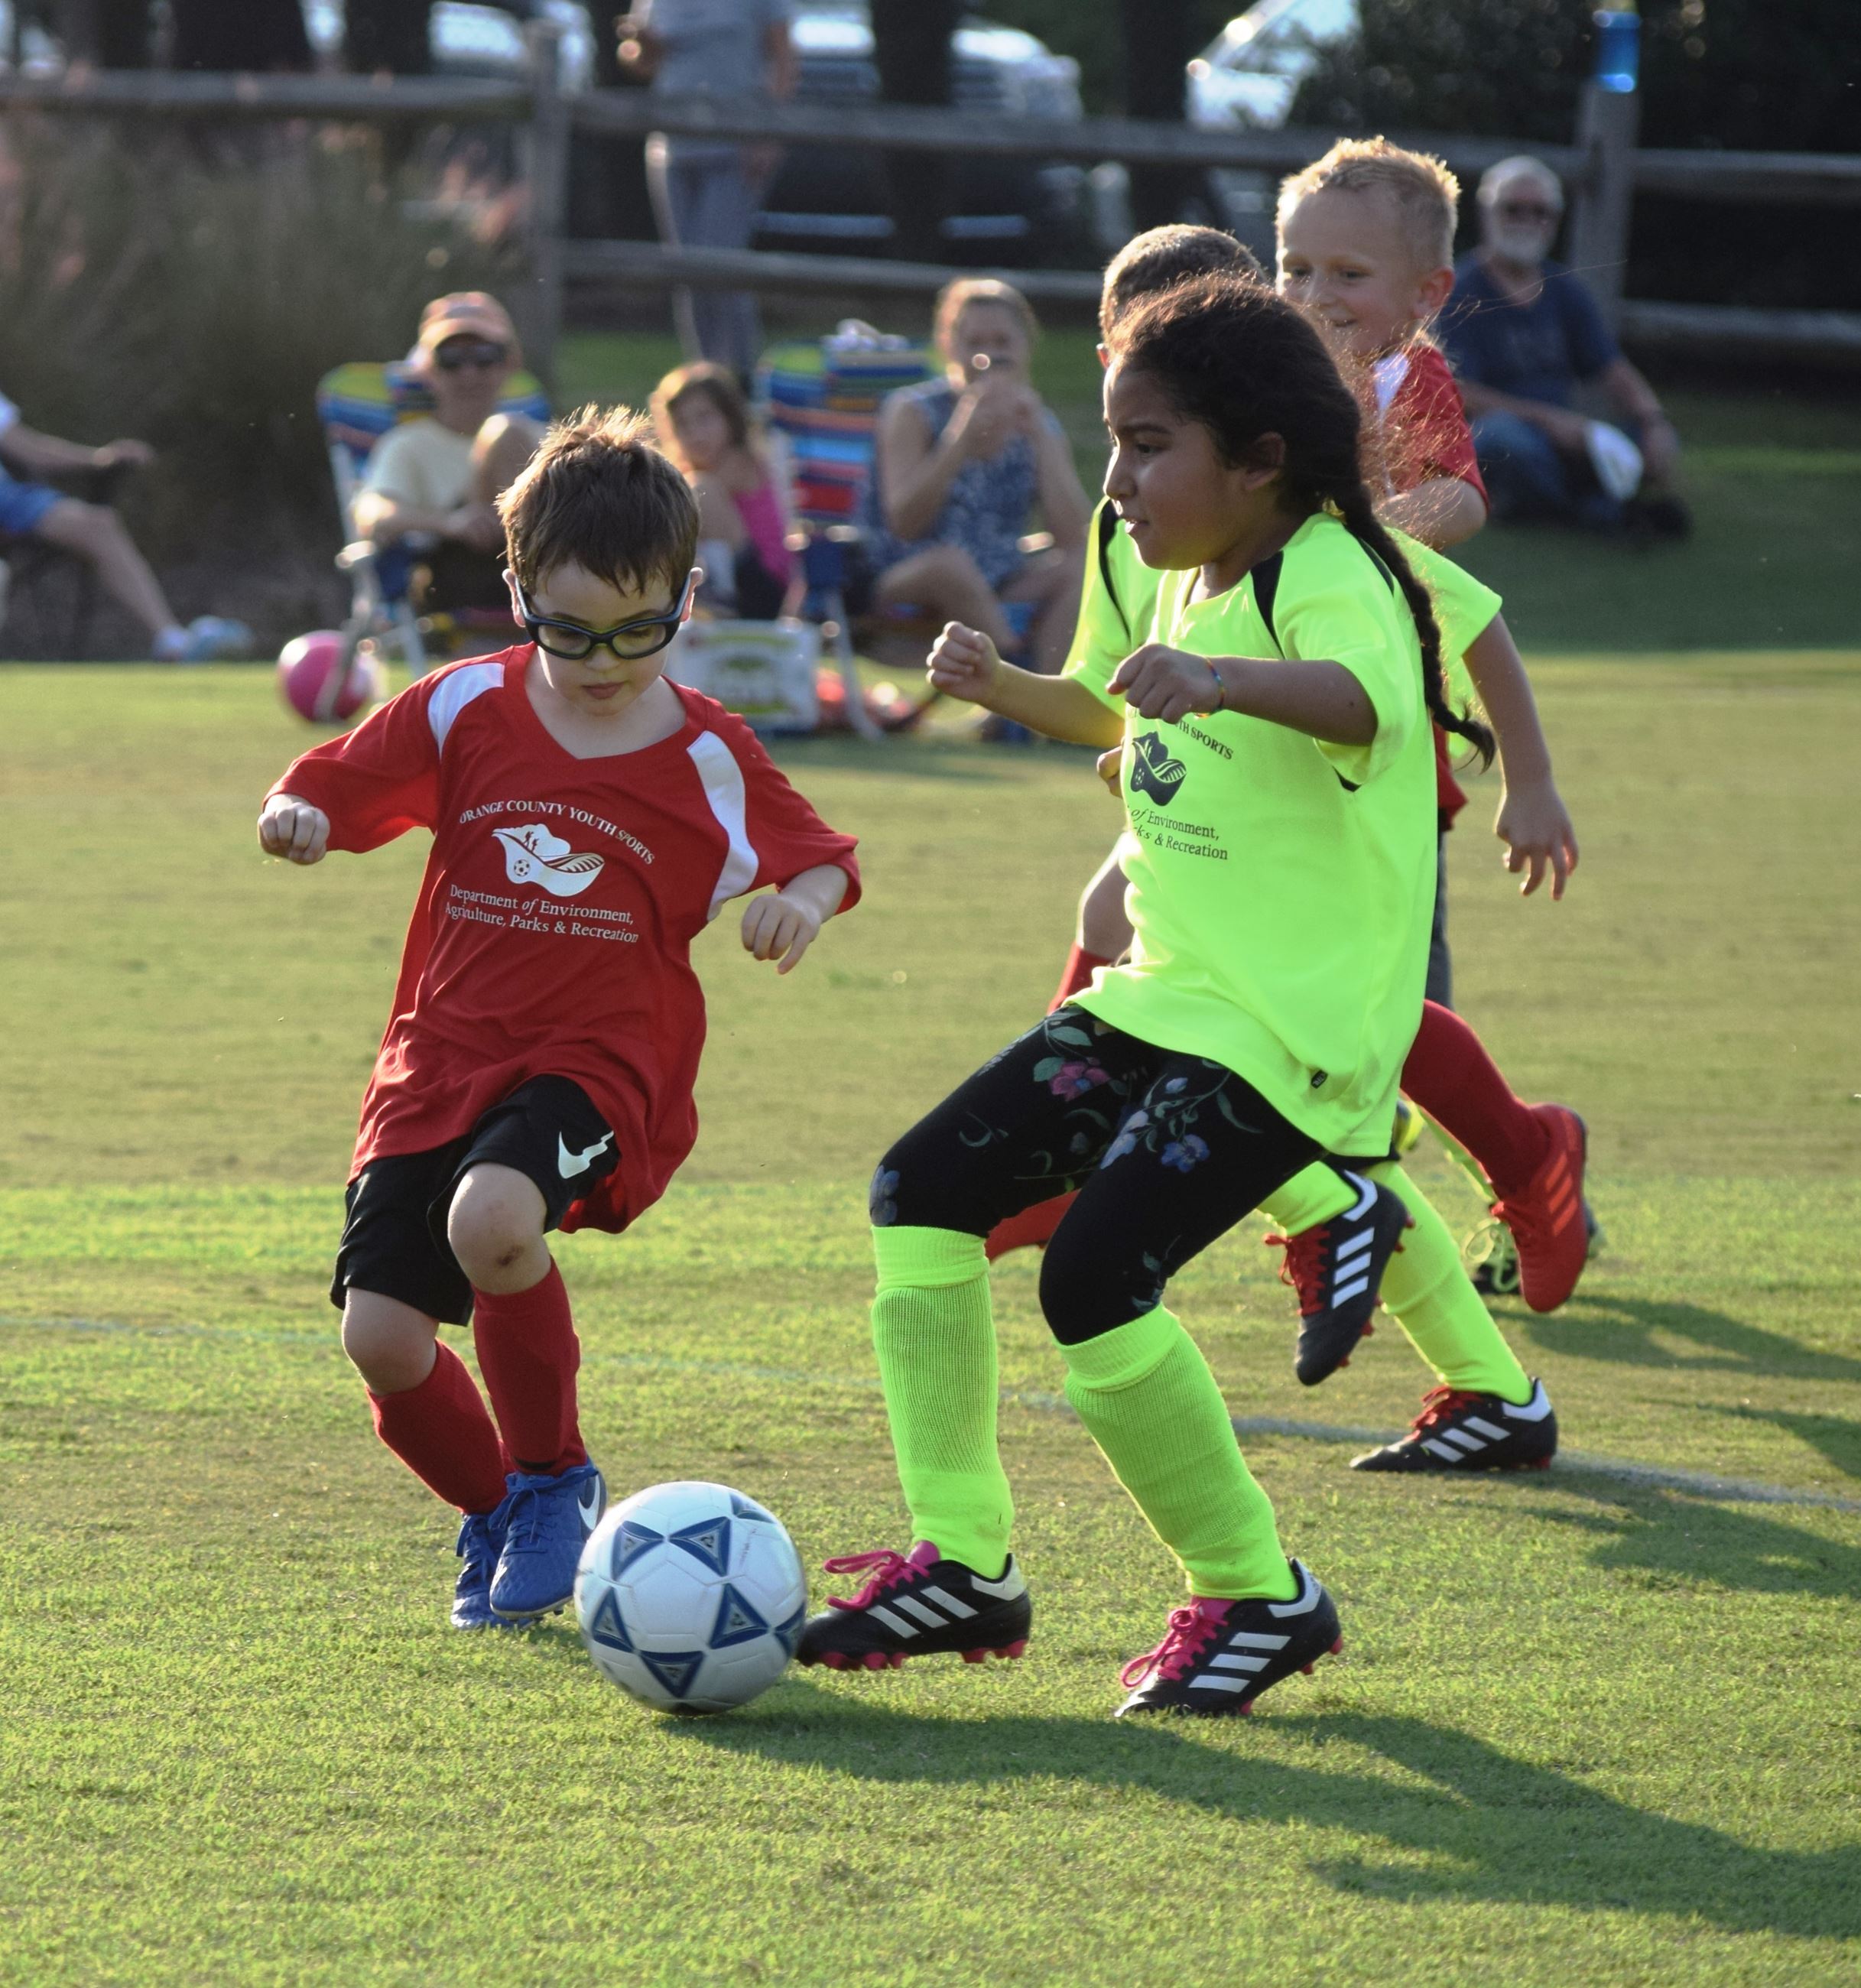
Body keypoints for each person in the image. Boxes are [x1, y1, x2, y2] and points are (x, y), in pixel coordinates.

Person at [796, 275, 1555, 1717]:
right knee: (921, 1190)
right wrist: (1004, 684)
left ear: (1259, 457)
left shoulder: (1332, 565)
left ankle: (1255, 1593)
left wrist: (1218, 673)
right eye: (1115, 442)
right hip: (1165, 994)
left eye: (1148, 447)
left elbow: (1360, 699)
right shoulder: (1165, 561)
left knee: (1092, 1278)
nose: (1121, 480)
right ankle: (963, 1562)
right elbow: (1119, 701)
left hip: (1291, 1031)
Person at [256, 407, 859, 1633]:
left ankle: (553, 1476)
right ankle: (501, 1511)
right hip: (439, 1058)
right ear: (517, 588)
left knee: (494, 1216)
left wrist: (796, 903)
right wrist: (297, 818)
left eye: (642, 630)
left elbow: (822, 857)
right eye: (569, 630)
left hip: (601, 1065)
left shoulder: (705, 752)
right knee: (378, 1339)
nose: (603, 662)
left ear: (687, 597)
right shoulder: (461, 710)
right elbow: (326, 782)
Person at [999, 195, 1592, 1327]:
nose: (1137, 441)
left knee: (1354, 1025)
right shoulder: (1128, 516)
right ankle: (1098, 1156)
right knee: (1140, 927)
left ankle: (1513, 1167)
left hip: (1354, 788)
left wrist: (1532, 778)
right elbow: (1122, 682)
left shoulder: (1307, 519)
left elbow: (1469, 617)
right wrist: (1122, 738)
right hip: (1222, 808)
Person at [1443, 155, 1689, 537]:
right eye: (1513, 209)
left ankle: (1585, 501)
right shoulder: (1460, 291)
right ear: (1486, 213)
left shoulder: (1565, 288)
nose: (1526, 220)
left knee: (1647, 437)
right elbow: (1458, 392)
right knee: (1501, 441)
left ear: (1555, 221)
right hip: (1504, 430)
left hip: (1565, 432)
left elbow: (1610, 365)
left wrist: (1651, 419)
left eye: (1540, 211)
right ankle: (1593, 507)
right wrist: (1550, 421)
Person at [862, 278, 1090, 677]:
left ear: (1025, 348)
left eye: (1002, 343)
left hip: (999, 572)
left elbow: (1074, 537)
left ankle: (1037, 711)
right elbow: (904, 522)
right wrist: (961, 434)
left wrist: (1040, 436)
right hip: (903, 571)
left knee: (1084, 566)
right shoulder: (913, 411)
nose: (988, 356)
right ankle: (1016, 674)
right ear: (949, 346)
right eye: (975, 344)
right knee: (951, 566)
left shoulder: (1036, 423)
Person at [618, 0, 797, 380]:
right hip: (672, 146)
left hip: (736, 144)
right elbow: (642, 64)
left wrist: (769, 132)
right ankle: (704, 379)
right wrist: (640, 45)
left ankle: (742, 381)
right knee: (686, 269)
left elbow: (784, 59)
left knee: (720, 261)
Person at [0, 391, 247, 661]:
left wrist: (100, 457)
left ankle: (172, 641)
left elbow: (30, 448)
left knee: (99, 525)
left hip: (9, 500)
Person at [350, 292, 542, 616]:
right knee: (507, 435)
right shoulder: (407, 444)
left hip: (546, 571)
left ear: (508, 364)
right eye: (451, 359)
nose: (469, 373)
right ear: (427, 370)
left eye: (484, 357)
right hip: (456, 576)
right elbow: (371, 514)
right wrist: (450, 523)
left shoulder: (544, 437)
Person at [651, 361, 796, 619]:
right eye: (683, 424)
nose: (695, 434)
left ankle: (706, 597)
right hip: (732, 580)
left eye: (704, 418)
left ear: (730, 418)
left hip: (762, 588)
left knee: (697, 491)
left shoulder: (741, 462)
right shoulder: (692, 469)